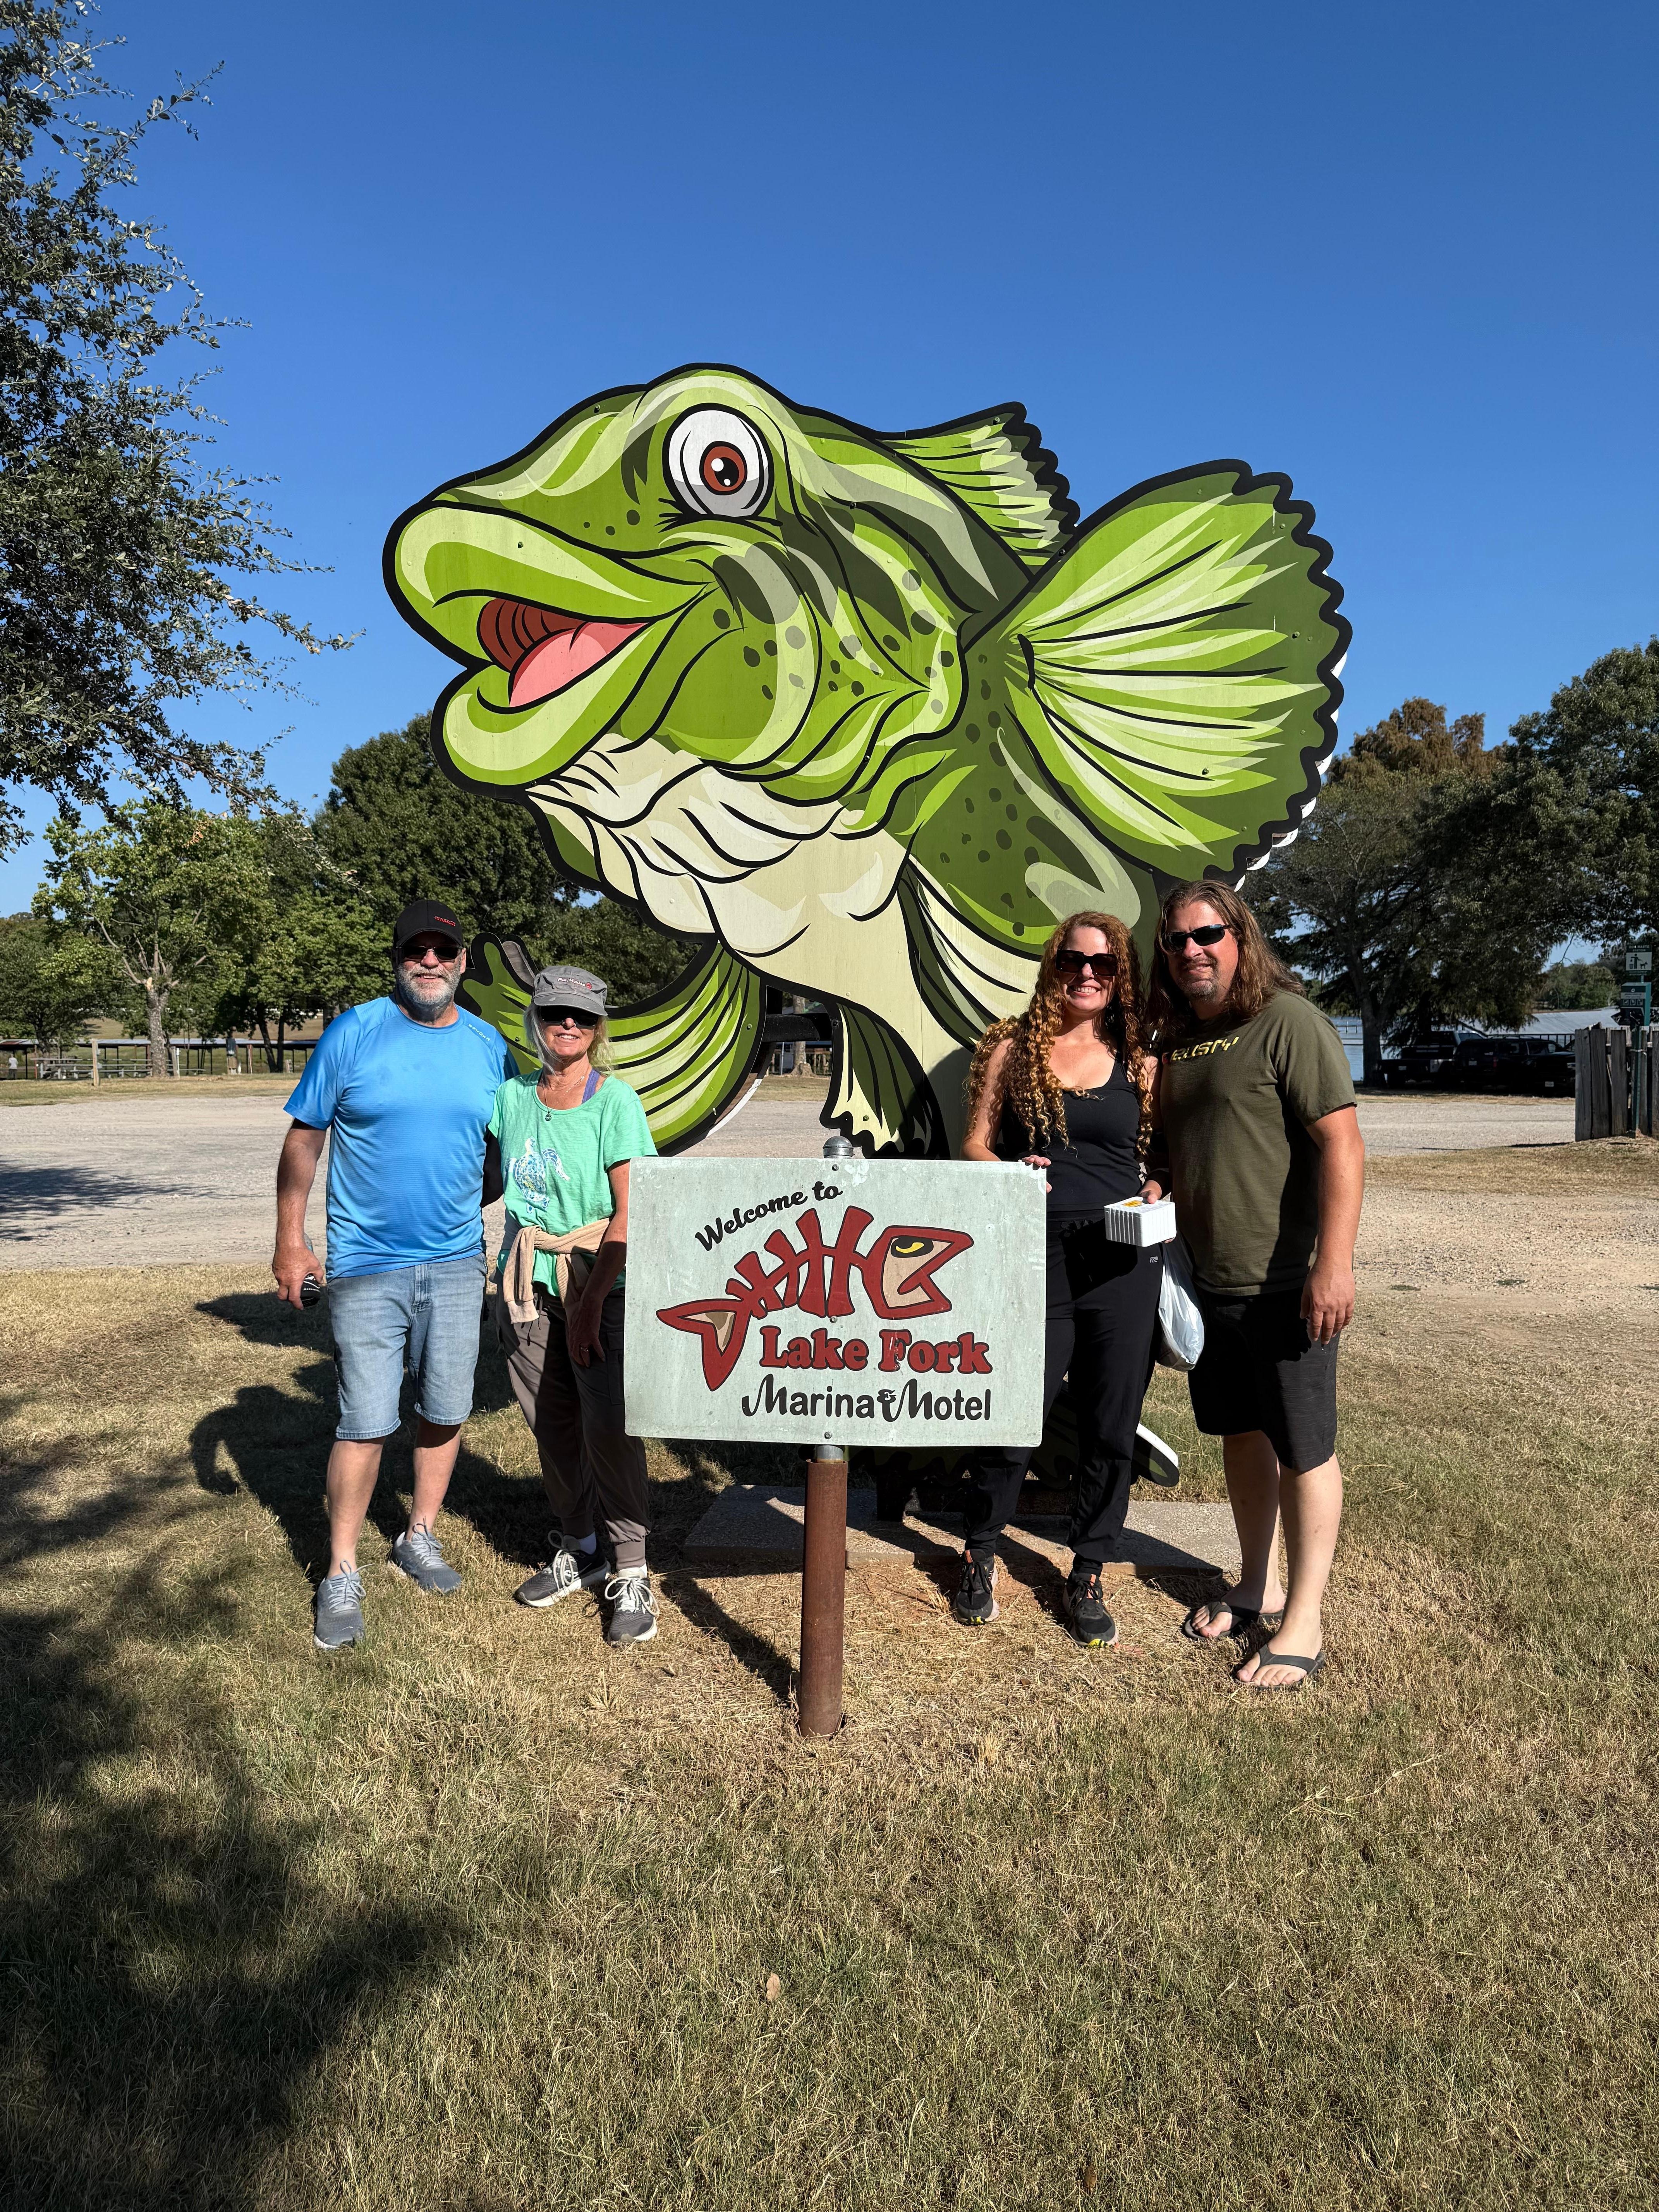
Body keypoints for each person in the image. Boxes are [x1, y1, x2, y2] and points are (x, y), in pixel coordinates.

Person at [273, 900, 514, 1652]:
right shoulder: (355, 1034)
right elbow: (305, 1139)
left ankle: (418, 1536)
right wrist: (290, 1241)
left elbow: (505, 1151)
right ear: (399, 960)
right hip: (367, 1266)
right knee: (366, 1419)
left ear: (464, 963)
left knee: (445, 1409)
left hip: (454, 1262)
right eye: (419, 951)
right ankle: (341, 1569)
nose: (432, 962)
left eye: (446, 951)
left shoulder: (489, 1047)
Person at [1148, 879, 1364, 1692]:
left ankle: (1303, 1620)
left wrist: (1332, 1265)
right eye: (1176, 942)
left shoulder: (1289, 1022)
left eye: (1208, 935)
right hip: (1211, 1286)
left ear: (1240, 936)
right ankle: (1255, 1583)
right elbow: (1184, 1150)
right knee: (1242, 1437)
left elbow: (1343, 1147)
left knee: (1306, 1450)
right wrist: (1162, 1184)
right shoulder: (1182, 1040)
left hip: (1286, 1283)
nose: (1193, 951)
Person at [957, 912, 1164, 1645]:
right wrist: (1010, 1173)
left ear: (1122, 974)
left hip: (1122, 1260)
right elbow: (975, 1146)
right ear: (1054, 966)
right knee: (1016, 1411)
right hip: (1033, 1254)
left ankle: (1090, 1569)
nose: (1087, 974)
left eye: (1104, 965)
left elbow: (1163, 1161)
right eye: (1074, 961)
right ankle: (981, 1551)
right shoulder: (1014, 1048)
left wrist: (1157, 1190)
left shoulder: (1141, 1055)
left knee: (1112, 1423)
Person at [489, 963, 661, 1647]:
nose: (568, 1025)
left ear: (598, 1028)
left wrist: (591, 1301)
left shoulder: (614, 1102)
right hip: (525, 1280)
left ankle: (631, 1568)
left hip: (596, 1280)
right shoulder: (511, 1098)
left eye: (582, 1018)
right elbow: (479, 1178)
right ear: (537, 1019)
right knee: (551, 1422)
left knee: (610, 1428)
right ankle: (581, 1545)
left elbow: (630, 1209)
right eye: (557, 1013)